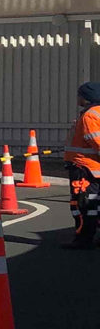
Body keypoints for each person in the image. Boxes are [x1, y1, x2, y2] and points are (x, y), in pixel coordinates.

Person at [63, 80, 100, 249]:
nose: (77, 98)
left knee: (83, 205)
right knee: (93, 204)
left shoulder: (89, 116)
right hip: (92, 169)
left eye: (80, 95)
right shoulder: (93, 113)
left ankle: (84, 238)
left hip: (84, 170)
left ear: (86, 97)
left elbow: (96, 141)